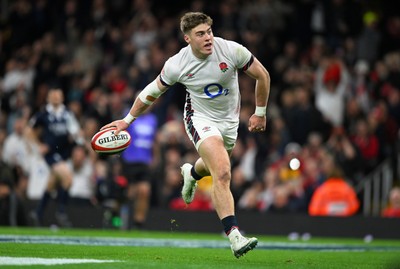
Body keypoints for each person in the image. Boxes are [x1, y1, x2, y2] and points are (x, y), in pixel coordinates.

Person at [102, 12, 270, 258]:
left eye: (209, 31)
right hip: (199, 119)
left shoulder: (231, 50)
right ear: (187, 38)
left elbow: (262, 74)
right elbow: (151, 92)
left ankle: (191, 173)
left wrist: (260, 112)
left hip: (229, 122)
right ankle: (234, 235)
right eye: (200, 34)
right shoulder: (177, 64)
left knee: (215, 167)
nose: (208, 38)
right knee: (222, 172)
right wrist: (127, 120)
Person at [29, 88, 84, 227]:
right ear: (48, 98)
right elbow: (29, 130)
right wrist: (38, 145)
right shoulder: (43, 114)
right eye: (53, 95)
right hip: (51, 154)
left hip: (64, 153)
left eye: (58, 95)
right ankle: (61, 212)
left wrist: (78, 138)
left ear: (62, 97)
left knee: (51, 184)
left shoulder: (67, 114)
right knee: (68, 179)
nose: (55, 98)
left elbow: (76, 132)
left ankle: (38, 212)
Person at [119, 107, 158, 229]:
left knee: (144, 191)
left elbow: (154, 140)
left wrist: (155, 157)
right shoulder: (128, 116)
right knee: (129, 193)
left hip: (144, 162)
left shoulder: (153, 119)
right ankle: (119, 220)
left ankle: (138, 223)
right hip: (129, 160)